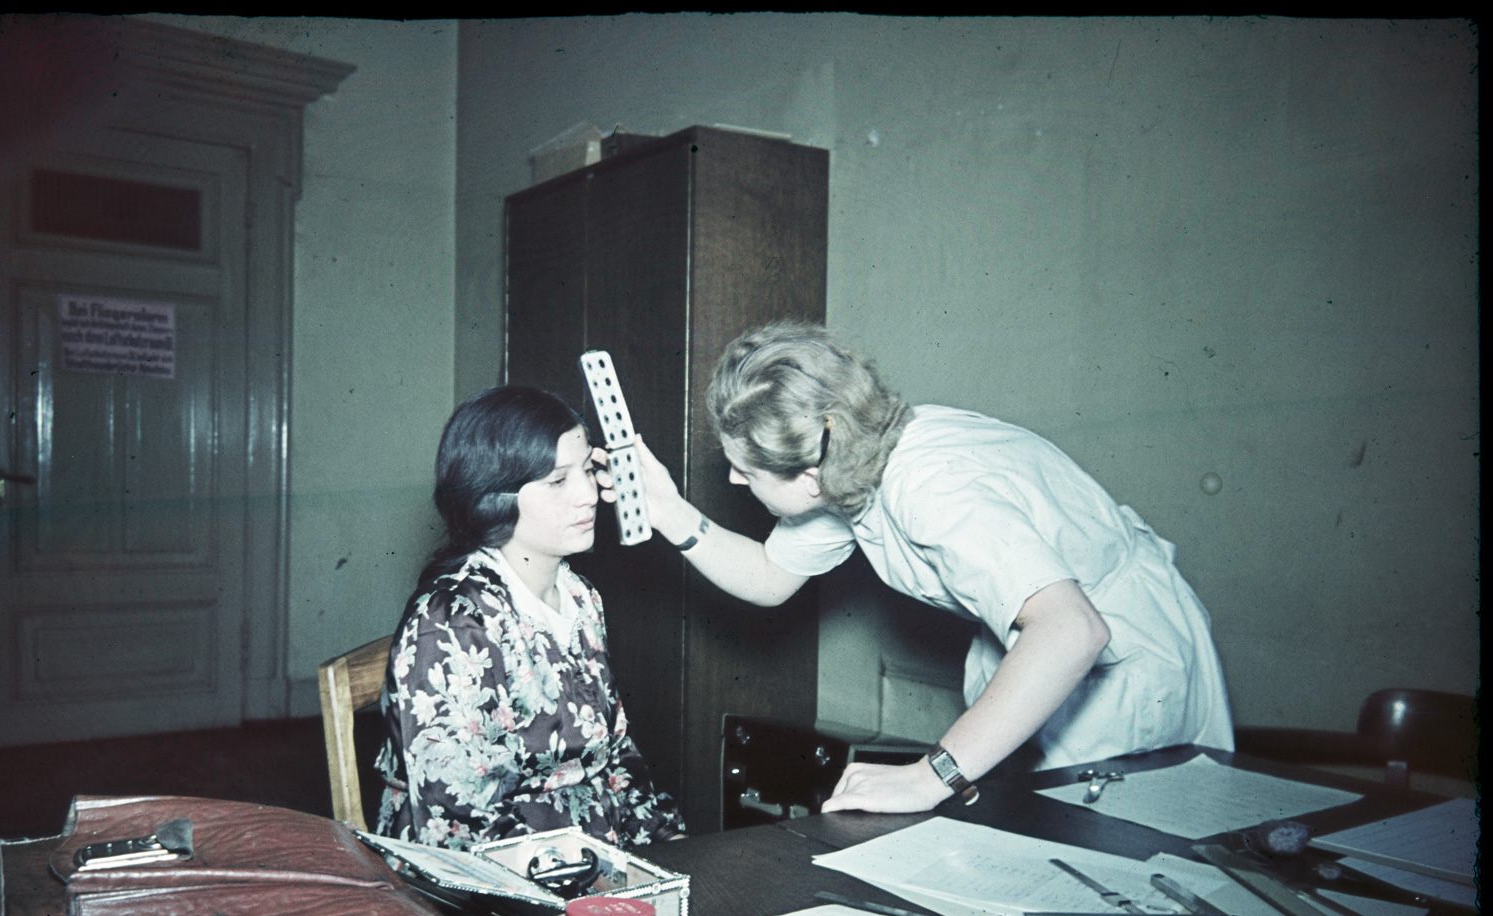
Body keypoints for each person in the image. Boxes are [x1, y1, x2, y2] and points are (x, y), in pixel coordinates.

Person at [633, 322, 1234, 815]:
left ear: (808, 475)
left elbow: (1072, 631)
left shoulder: (932, 486)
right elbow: (769, 576)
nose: (736, 479)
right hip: (1039, 649)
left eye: (747, 470)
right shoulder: (849, 458)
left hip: (1119, 661)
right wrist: (667, 510)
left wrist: (929, 776)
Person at [374, 385, 685, 849]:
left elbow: (614, 758)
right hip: (496, 880)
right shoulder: (452, 622)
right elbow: (458, 823)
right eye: (558, 481)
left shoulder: (580, 596)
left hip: (592, 857)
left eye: (586, 471)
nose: (589, 495)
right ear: (491, 494)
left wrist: (672, 850)